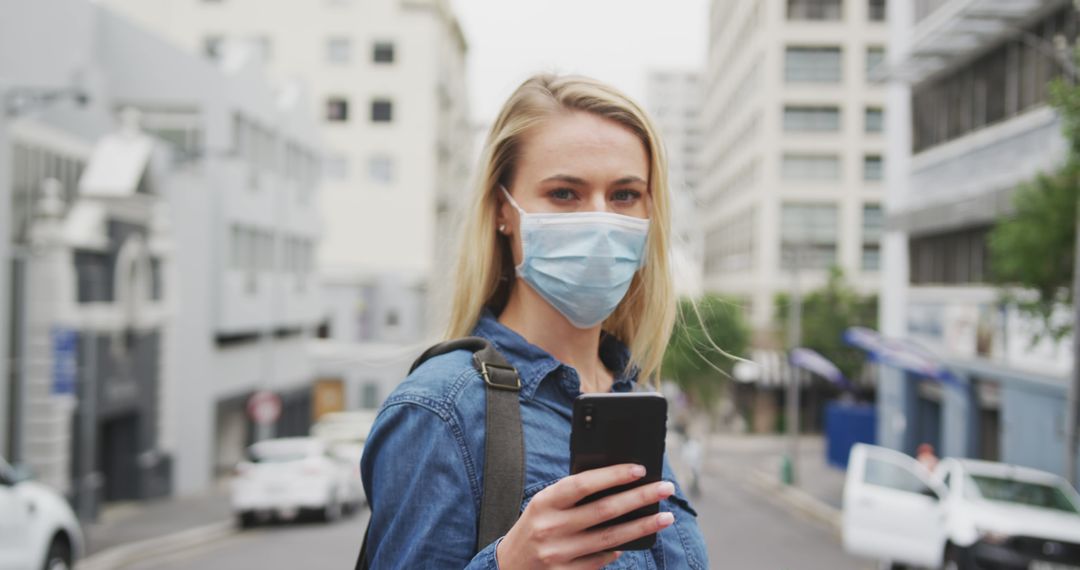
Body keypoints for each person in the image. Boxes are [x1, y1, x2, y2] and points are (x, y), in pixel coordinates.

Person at [359, 74, 709, 569]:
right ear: (504, 210)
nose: (600, 220)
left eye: (625, 194)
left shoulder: (629, 395)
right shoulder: (442, 410)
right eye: (565, 193)